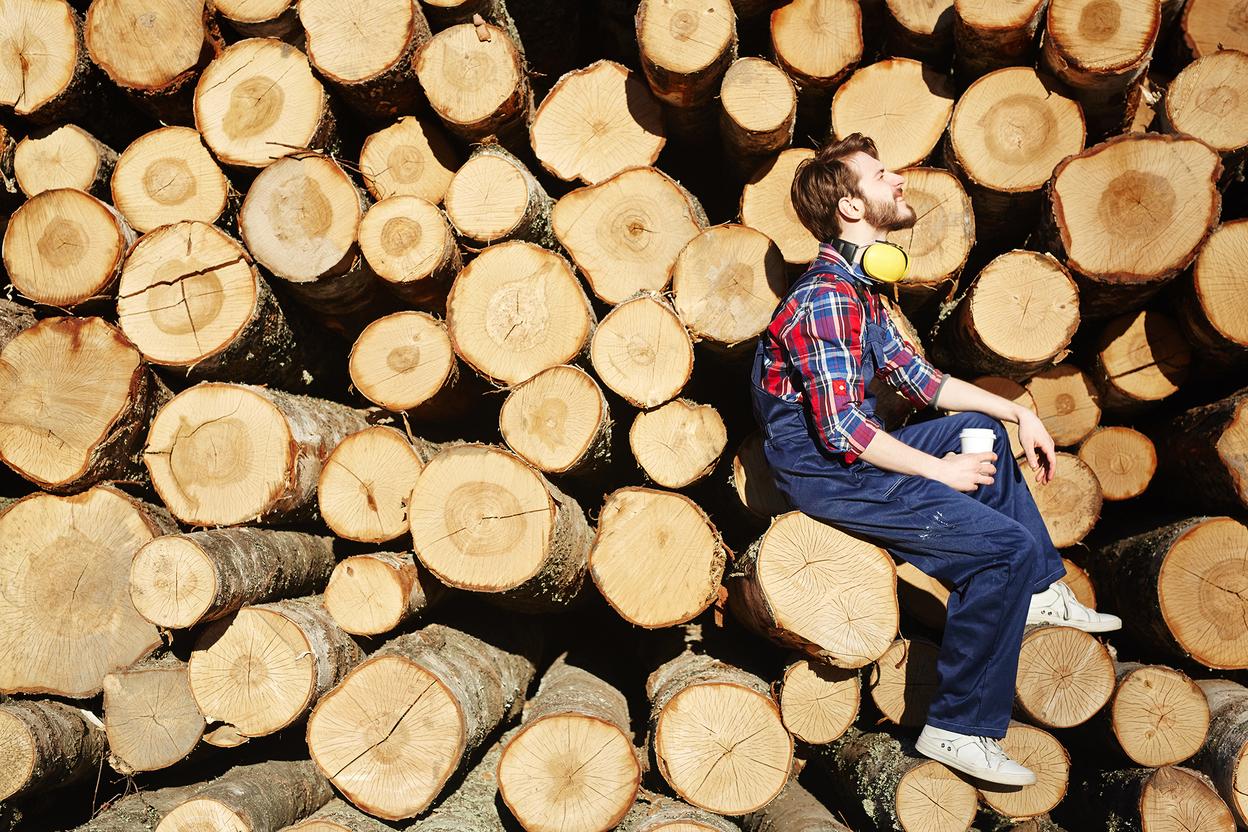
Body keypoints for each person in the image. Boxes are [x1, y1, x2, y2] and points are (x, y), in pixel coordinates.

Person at [749, 133, 1121, 787]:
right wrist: (942, 473)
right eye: (881, 173)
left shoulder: (861, 290)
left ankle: (1039, 592)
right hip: (830, 475)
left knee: (974, 425)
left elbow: (921, 382)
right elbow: (842, 431)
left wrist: (1018, 413)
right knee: (998, 551)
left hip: (849, 454)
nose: (897, 179)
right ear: (850, 209)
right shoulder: (828, 299)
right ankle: (961, 727)